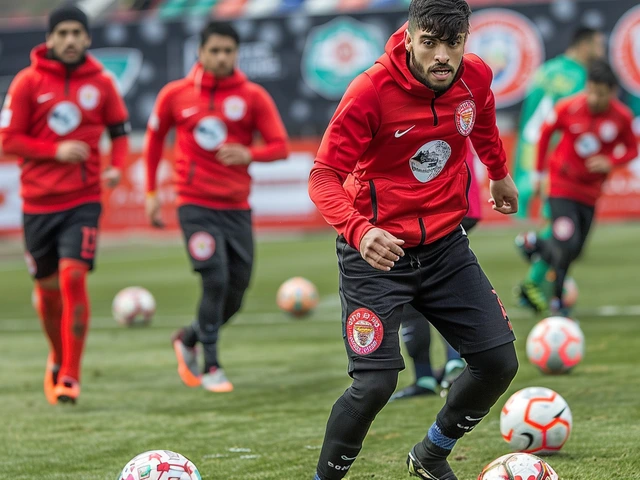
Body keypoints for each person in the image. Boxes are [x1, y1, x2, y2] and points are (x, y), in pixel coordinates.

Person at [308, 1, 519, 478]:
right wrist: (360, 231)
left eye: (453, 43)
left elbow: (481, 119)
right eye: (430, 43)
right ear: (409, 38)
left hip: (446, 246)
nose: (442, 56)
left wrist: (498, 173)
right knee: (374, 385)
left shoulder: (476, 76)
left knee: (498, 362)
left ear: (466, 40)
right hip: (378, 254)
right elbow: (323, 176)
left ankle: (430, 454)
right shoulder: (369, 91)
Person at [144, 22, 288, 393]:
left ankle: (189, 337)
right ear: (201, 52)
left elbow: (280, 146)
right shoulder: (175, 95)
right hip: (194, 203)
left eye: (229, 51)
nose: (222, 57)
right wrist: (150, 193)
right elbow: (155, 139)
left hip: (236, 207)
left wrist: (248, 153)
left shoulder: (252, 96)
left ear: (236, 54)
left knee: (236, 293)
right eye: (215, 50)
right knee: (215, 278)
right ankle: (211, 366)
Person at [0, 6, 129, 405]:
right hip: (38, 204)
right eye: (64, 33)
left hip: (84, 200)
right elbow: (8, 141)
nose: (71, 40)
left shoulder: (103, 84)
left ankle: (71, 374)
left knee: (74, 278)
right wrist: (55, 150)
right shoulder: (26, 83)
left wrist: (116, 169)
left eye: (78, 33)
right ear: (51, 39)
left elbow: (120, 134)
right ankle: (57, 357)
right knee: (48, 291)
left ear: (88, 38)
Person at [519, 61, 638, 316]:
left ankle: (534, 243)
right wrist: (538, 175)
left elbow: (632, 148)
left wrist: (611, 162)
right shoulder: (568, 107)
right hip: (561, 187)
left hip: (590, 193)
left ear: (612, 92)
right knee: (565, 241)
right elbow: (543, 136)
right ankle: (558, 303)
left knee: (575, 250)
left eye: (601, 94)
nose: (595, 98)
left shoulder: (622, 117)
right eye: (592, 91)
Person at [513, 27, 605, 313]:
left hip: (531, 152)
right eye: (599, 46)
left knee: (558, 224)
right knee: (563, 227)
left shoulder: (545, 71)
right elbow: (577, 125)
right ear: (585, 45)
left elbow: (529, 115)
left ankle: (544, 283)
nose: (601, 52)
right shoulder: (579, 77)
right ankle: (532, 276)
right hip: (558, 160)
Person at [391, 146, 481, 401]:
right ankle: (441, 370)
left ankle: (436, 372)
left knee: (417, 289)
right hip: (454, 203)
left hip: (440, 206)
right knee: (428, 286)